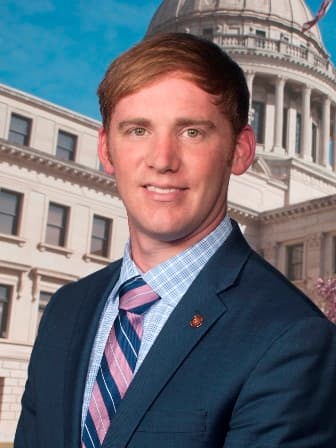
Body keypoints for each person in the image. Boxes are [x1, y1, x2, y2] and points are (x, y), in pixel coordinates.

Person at [15, 32, 336, 448]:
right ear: (106, 150)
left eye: (192, 132)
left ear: (240, 149)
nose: (163, 160)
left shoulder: (294, 340)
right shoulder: (65, 310)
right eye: (137, 130)